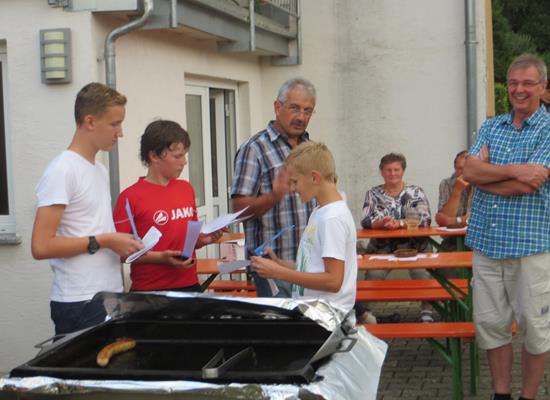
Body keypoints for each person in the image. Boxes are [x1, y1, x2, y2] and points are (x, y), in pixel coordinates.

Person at [463, 53, 550, 400]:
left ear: (543, 87)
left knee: (536, 330)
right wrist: (517, 170)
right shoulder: (491, 126)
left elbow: (531, 185)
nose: (519, 89)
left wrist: (487, 176)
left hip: (531, 249)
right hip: (486, 246)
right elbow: (468, 171)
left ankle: (528, 396)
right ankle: (501, 394)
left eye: (528, 83)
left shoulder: (548, 130)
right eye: (513, 83)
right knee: (491, 326)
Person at [31, 82, 143, 336]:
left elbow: (91, 230)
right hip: (80, 301)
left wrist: (120, 245)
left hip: (108, 295)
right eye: (115, 124)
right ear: (90, 121)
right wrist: (105, 241)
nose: (120, 133)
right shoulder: (62, 170)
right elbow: (41, 246)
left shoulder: (98, 169)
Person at [113, 120, 223, 292]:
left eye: (184, 155)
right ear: (154, 156)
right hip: (150, 292)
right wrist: (160, 258)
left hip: (189, 285)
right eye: (178, 156)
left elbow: (190, 240)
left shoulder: (186, 189)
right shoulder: (129, 197)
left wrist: (203, 240)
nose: (184, 162)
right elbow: (119, 254)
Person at [230, 77, 317, 297]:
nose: (301, 117)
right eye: (294, 108)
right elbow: (238, 210)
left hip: (309, 265)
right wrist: (274, 196)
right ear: (278, 107)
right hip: (272, 269)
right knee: (281, 321)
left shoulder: (311, 149)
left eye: (308, 111)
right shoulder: (254, 149)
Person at [250, 142, 357, 313]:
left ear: (314, 178)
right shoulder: (320, 211)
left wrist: (278, 272)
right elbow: (312, 268)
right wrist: (279, 264)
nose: (292, 189)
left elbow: (333, 281)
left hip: (326, 317)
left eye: (295, 182)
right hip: (315, 312)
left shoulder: (332, 218)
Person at [359, 152, 434, 323]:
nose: (392, 173)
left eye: (396, 169)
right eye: (388, 170)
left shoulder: (416, 192)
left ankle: (426, 312)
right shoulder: (373, 193)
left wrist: (400, 223)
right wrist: (381, 223)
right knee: (374, 275)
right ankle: (366, 315)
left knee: (422, 273)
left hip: (415, 247)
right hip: (382, 248)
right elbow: (365, 220)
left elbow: (425, 219)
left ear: (403, 171)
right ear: (382, 172)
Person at [436, 150, 473, 251]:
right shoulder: (446, 184)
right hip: (452, 241)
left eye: (464, 169)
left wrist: (455, 220)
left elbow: (480, 220)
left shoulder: (485, 185)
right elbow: (443, 220)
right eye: (457, 168)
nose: (459, 173)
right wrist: (457, 191)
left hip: (479, 242)